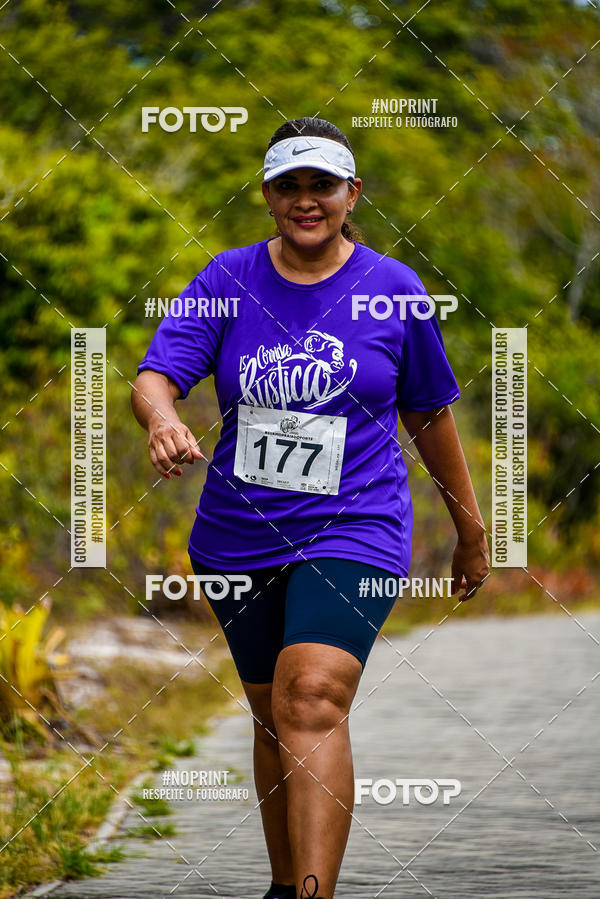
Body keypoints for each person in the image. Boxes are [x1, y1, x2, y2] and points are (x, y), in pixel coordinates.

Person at [131, 116, 490, 899]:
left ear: (351, 193)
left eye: (321, 185)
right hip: (237, 536)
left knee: (311, 696)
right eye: (288, 186)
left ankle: (311, 894)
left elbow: (429, 415)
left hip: (357, 526)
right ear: (267, 195)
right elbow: (157, 374)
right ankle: (281, 882)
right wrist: (162, 417)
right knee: (272, 713)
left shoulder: (394, 288)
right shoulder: (228, 279)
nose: (305, 201)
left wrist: (470, 527)